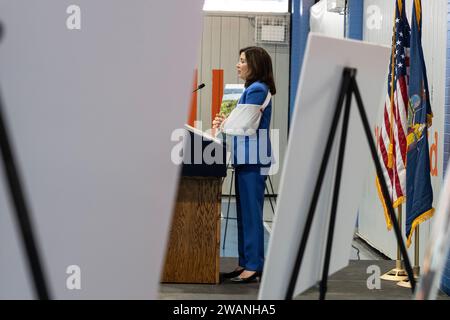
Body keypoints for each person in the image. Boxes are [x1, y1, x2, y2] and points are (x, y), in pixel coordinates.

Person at [213, 46, 276, 283]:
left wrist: (224, 123)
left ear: (254, 65)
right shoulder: (250, 89)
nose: (238, 65)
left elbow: (245, 124)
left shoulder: (258, 89)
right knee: (243, 214)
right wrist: (225, 121)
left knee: (251, 214)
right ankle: (245, 262)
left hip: (253, 158)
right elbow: (236, 121)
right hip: (245, 158)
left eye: (242, 61)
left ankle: (254, 265)